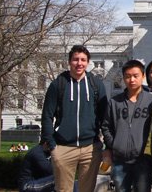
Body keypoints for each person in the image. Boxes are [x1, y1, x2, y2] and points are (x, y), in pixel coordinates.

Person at [41, 45, 107, 192]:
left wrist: (105, 144)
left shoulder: (96, 84)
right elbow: (47, 115)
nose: (79, 63)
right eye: (75, 59)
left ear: (88, 62)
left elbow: (104, 117)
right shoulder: (58, 84)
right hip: (63, 147)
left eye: (83, 60)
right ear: (69, 61)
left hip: (90, 148)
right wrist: (52, 145)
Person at [101, 60, 152, 192]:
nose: (131, 79)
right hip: (120, 160)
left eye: (135, 75)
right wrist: (114, 144)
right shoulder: (115, 102)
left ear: (143, 76)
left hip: (143, 160)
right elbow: (106, 126)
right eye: (127, 76)